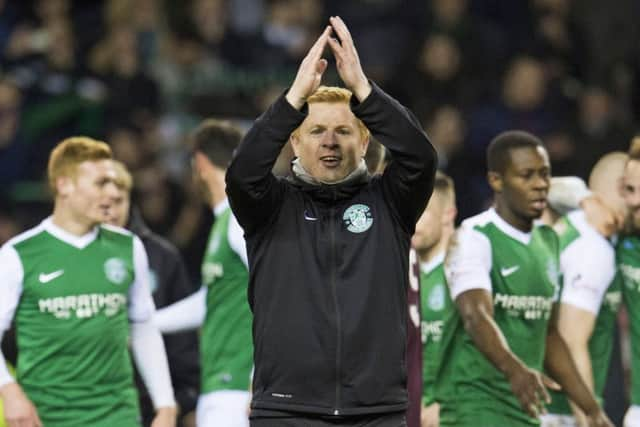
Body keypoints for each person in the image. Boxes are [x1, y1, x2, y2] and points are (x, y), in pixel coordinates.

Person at [225, 16, 437, 427]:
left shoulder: (391, 201)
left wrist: (364, 89)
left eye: (343, 131)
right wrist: (291, 101)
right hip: (286, 410)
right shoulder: (269, 206)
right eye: (316, 130)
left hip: (376, 412)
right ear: (295, 140)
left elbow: (421, 158)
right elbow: (242, 173)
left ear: (364, 141)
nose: (329, 141)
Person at [436, 130, 612, 427]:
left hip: (526, 410)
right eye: (526, 175)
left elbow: (550, 335)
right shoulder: (474, 236)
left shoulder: (548, 242)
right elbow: (475, 316)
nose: (540, 185)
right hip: (473, 407)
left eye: (545, 174)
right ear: (496, 181)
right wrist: (514, 370)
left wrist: (591, 408)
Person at [0, 137, 176, 427]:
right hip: (45, 417)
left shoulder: (128, 247)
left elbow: (143, 325)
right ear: (64, 185)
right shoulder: (18, 255)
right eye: (100, 183)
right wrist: (10, 390)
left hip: (117, 415)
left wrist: (166, 405)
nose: (111, 192)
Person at [154, 119, 253, 427]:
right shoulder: (225, 219)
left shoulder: (239, 218)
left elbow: (281, 290)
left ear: (199, 163)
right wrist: (144, 323)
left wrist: (257, 377)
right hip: (223, 385)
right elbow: (211, 300)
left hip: (239, 386)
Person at [106, 160, 200, 427]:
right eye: (103, 200)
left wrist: (181, 402)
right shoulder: (68, 257)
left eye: (118, 200)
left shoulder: (161, 257)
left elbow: (183, 347)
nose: (109, 210)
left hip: (154, 408)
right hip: (89, 402)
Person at [541, 153, 627, 427]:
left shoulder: (574, 226)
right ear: (621, 189)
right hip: (560, 412)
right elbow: (570, 340)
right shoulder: (593, 249)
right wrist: (589, 418)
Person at [411, 171, 457, 427]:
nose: (411, 219)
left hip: (455, 412)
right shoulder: (397, 271)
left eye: (422, 211)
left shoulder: (467, 273)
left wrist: (446, 403)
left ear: (448, 215)